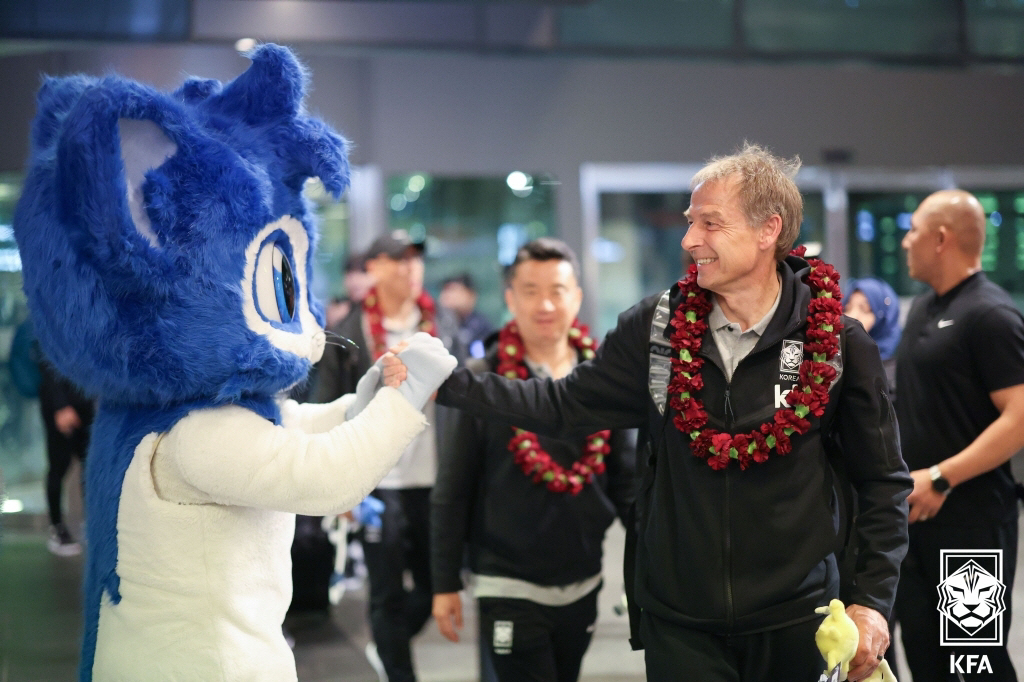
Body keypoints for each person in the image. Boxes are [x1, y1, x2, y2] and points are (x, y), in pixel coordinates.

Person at [420, 144, 910, 682]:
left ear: (769, 230)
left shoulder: (835, 343)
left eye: (710, 223)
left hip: (798, 618)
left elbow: (882, 482)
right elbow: (561, 404)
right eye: (689, 222)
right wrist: (447, 382)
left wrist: (870, 602)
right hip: (680, 624)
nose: (688, 240)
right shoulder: (654, 331)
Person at [430, 239, 635, 682]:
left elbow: (626, 484)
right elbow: (453, 487)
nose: (545, 304)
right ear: (509, 299)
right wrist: (444, 581)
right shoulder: (481, 383)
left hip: (583, 578)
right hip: (507, 583)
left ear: (576, 296)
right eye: (530, 290)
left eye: (557, 290)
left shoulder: (601, 381)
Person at [312, 229, 458, 682]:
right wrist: (343, 486)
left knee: (439, 583)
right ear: (372, 267)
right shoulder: (352, 331)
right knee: (386, 593)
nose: (410, 268)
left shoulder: (443, 324)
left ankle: (387, 640)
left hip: (435, 477)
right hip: (380, 481)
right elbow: (328, 404)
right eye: (398, 259)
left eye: (415, 259)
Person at [895, 189, 1024, 682]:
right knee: (927, 661)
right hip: (916, 523)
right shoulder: (924, 309)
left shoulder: (990, 314)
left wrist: (942, 477)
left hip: (970, 527)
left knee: (974, 667)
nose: (906, 242)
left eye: (913, 230)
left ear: (942, 238)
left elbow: (1019, 416)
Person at [37, 357, 94, 556]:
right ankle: (57, 528)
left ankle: (92, 524)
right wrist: (60, 405)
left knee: (90, 466)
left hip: (86, 401)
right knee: (59, 465)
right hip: (61, 403)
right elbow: (47, 362)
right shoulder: (53, 326)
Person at [843, 277, 901, 395]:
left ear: (883, 317)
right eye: (847, 308)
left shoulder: (900, 364)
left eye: (864, 309)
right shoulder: (839, 355)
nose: (852, 316)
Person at [439, 273, 493, 360]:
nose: (447, 295)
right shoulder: (439, 323)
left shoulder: (480, 327)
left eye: (454, 290)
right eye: (445, 290)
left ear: (471, 295)